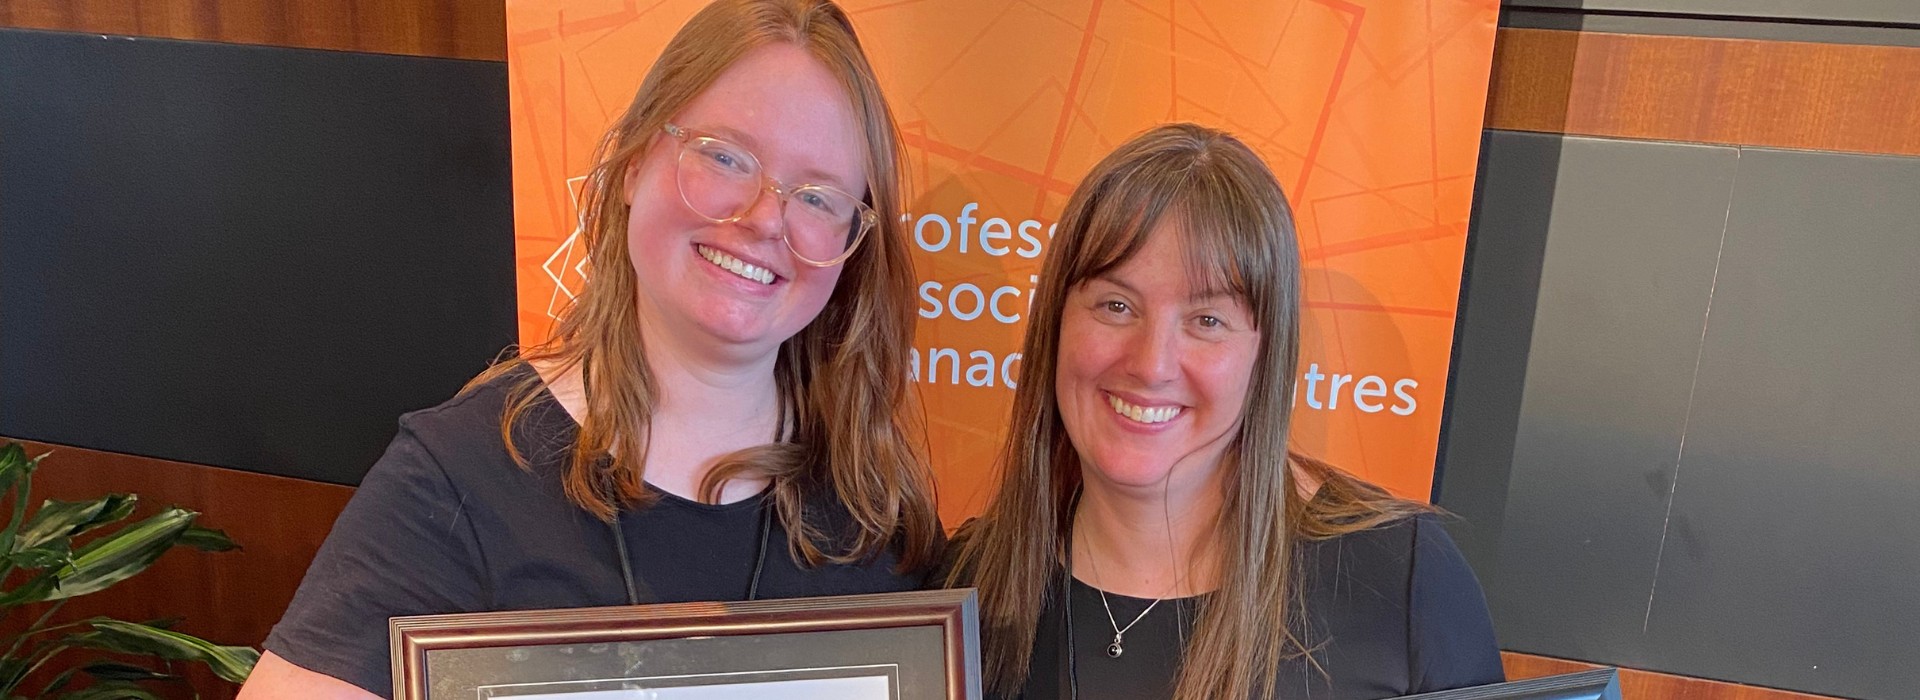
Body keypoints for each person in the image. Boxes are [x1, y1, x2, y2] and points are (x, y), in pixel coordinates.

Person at [239, 1, 940, 697]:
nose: (763, 218)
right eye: (725, 157)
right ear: (634, 163)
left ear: (853, 246)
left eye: (818, 197)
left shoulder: (875, 506)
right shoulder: (460, 476)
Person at [939, 123, 1503, 700]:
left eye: (1207, 320)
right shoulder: (959, 597)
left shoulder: (1403, 579)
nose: (1152, 363)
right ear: (1056, 325)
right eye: (1115, 305)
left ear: (1266, 356)